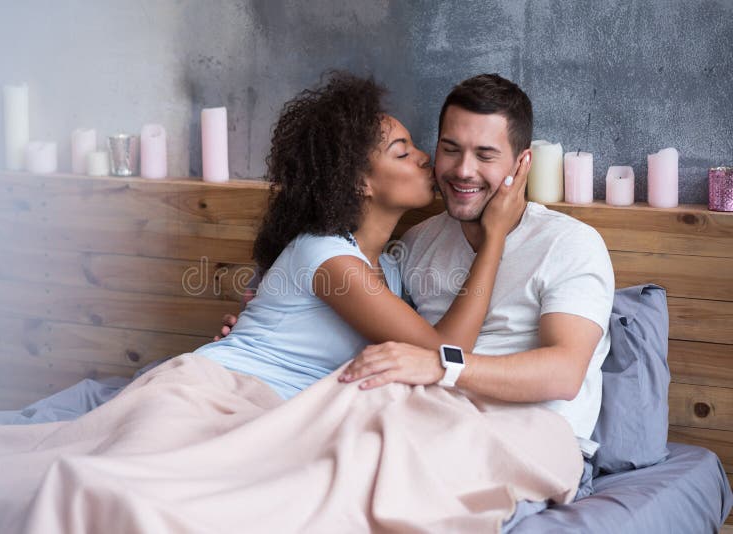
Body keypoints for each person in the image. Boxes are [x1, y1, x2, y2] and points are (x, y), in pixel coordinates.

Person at [198, 71, 528, 400]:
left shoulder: (392, 269)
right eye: (403, 152)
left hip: (284, 413)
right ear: (360, 182)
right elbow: (448, 351)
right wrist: (494, 236)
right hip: (226, 393)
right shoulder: (328, 257)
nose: (424, 157)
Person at [340, 74, 615, 447]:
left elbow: (565, 374)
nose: (463, 170)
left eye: (485, 155)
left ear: (522, 164)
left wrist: (442, 366)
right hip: (424, 429)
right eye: (451, 149)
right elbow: (373, 321)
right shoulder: (418, 243)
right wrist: (279, 317)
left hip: (530, 443)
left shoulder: (568, 243)